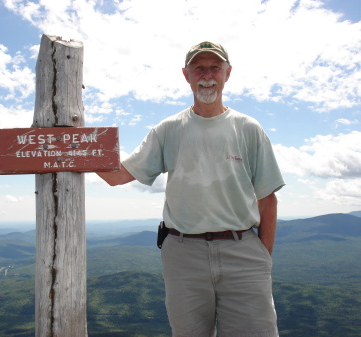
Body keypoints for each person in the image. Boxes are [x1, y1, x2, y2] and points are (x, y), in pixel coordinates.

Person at [97, 41, 285, 337]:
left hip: (243, 251)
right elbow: (118, 176)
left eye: (215, 67)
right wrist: (76, 148)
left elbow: (267, 199)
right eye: (199, 68)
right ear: (186, 75)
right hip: (183, 253)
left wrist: (262, 256)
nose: (207, 75)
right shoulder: (168, 129)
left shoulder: (248, 128)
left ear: (228, 73)